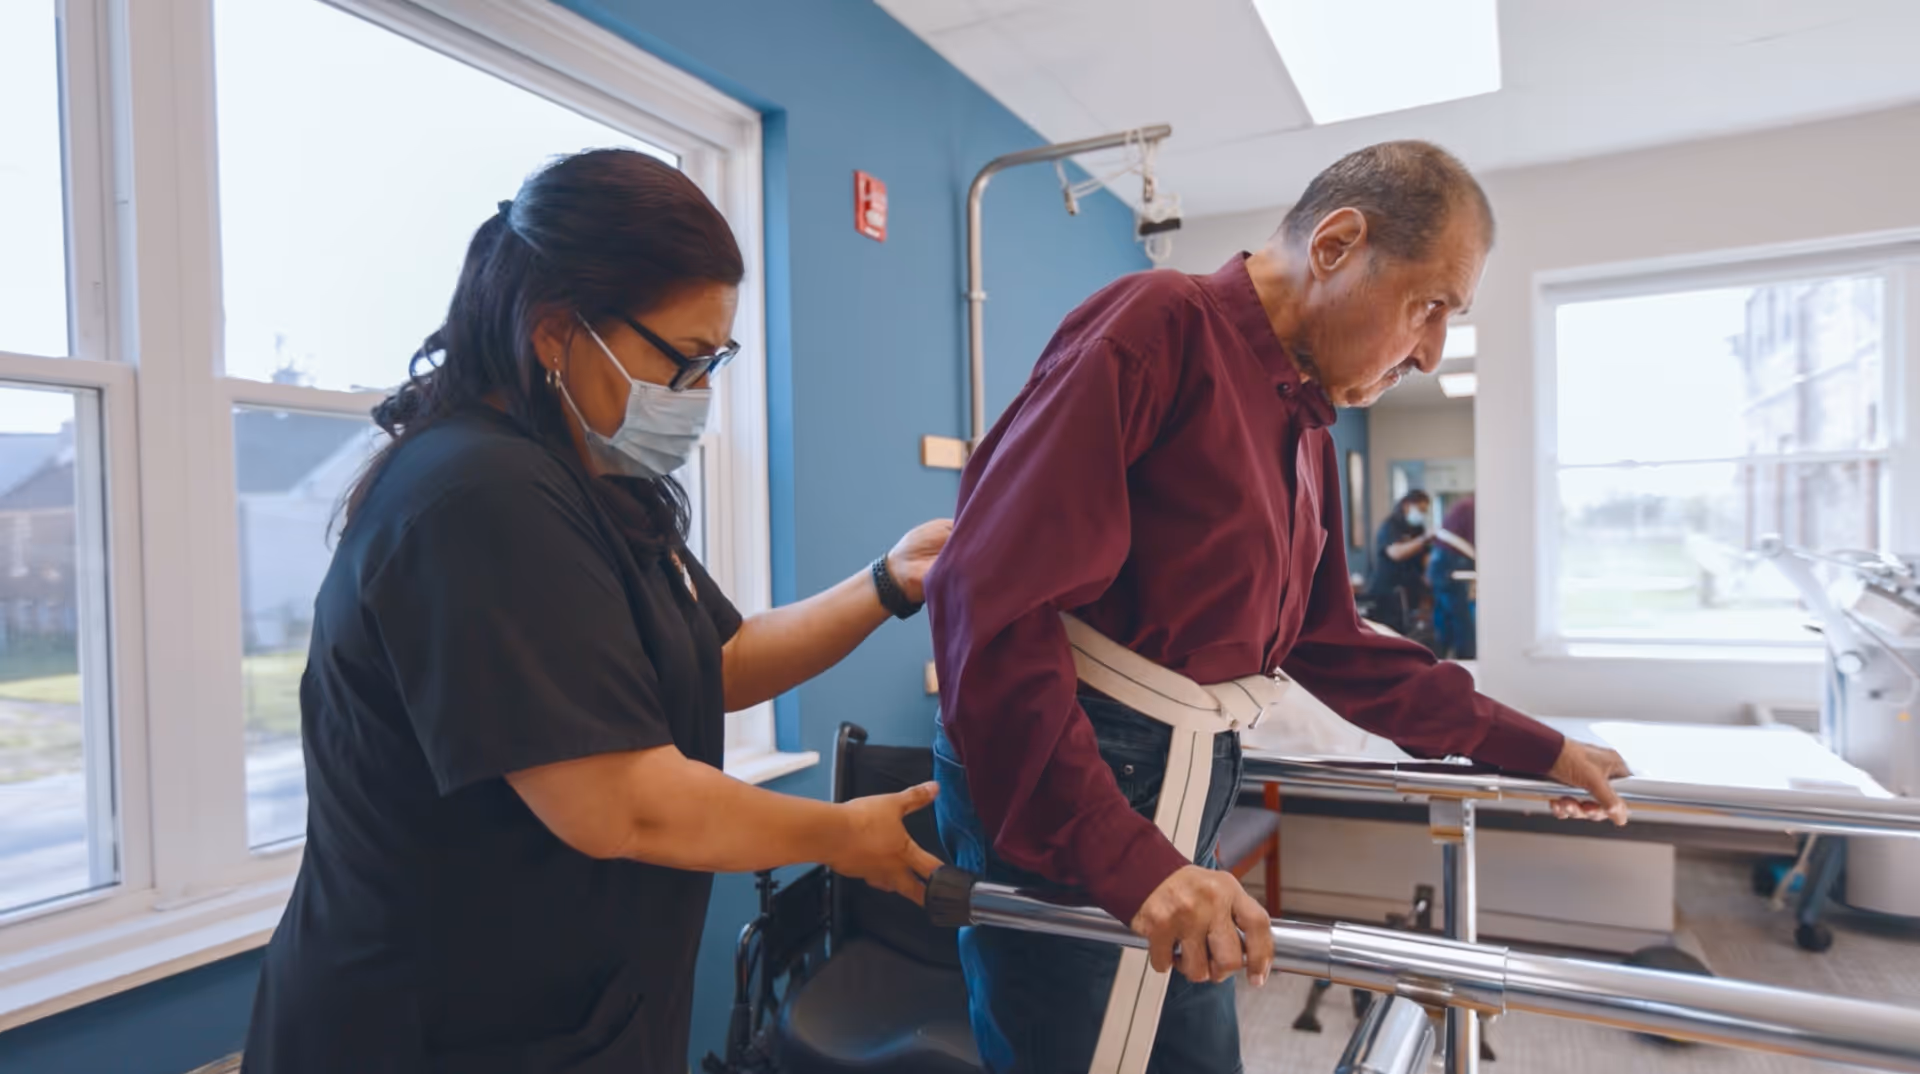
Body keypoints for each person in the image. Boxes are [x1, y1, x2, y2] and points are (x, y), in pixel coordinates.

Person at [924, 141, 1631, 1074]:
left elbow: (1330, 640)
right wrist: (1126, 856)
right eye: (1430, 307)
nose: (1430, 352)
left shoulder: (1305, 426)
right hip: (1070, 775)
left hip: (1184, 785)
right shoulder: (1156, 325)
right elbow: (993, 603)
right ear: (1337, 243)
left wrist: (1532, 744)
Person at [241, 149, 951, 1074]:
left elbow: (719, 659)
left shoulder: (588, 478)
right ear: (554, 331)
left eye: (714, 363)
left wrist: (890, 581)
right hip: (432, 1031)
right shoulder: (478, 496)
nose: (696, 396)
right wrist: (841, 836)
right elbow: (618, 804)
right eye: (683, 361)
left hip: (574, 1013)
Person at [1366, 490, 1434, 634]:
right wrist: (1423, 540)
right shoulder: (1391, 526)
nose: (1422, 514)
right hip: (1387, 593)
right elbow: (1396, 553)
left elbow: (1425, 560)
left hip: (1410, 593)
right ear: (1407, 505)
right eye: (1420, 510)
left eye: (1425, 511)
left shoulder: (1418, 529)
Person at [1430, 493, 1479, 659]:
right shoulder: (1471, 508)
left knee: (1447, 621)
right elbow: (1475, 543)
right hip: (1451, 567)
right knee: (1462, 624)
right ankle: (1466, 666)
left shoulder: (1465, 506)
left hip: (1443, 567)